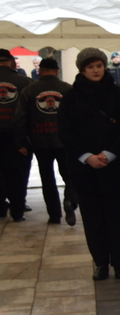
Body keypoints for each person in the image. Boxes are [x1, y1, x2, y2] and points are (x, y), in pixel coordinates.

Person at [58, 48, 120, 279]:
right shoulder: (71, 98)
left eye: (99, 66)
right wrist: (87, 156)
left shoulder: (119, 95)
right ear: (82, 69)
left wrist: (109, 153)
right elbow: (65, 132)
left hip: (116, 167)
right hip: (85, 169)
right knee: (93, 219)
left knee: (118, 218)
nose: (96, 70)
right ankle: (101, 262)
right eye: (90, 67)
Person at [15, 58, 76, 225]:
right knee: (70, 175)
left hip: (39, 141)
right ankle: (70, 201)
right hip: (64, 141)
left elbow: (20, 119)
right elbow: (78, 117)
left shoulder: (29, 90)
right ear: (56, 71)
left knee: (47, 178)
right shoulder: (68, 89)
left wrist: (21, 142)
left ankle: (54, 216)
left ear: (40, 71)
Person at [0, 48, 34, 221]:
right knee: (18, 174)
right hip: (17, 136)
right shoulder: (25, 82)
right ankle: (18, 210)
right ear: (12, 62)